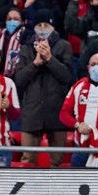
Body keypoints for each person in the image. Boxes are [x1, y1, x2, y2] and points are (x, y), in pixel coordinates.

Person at [14, 9, 74, 167]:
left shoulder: (63, 46)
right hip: (32, 113)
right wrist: (35, 64)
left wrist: (49, 59)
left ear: (52, 26)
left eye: (45, 24)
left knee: (58, 162)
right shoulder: (26, 48)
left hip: (57, 113)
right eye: (39, 25)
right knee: (27, 161)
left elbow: (68, 77)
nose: (42, 28)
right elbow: (19, 80)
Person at [0, 8, 27, 78]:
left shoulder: (25, 35)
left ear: (22, 22)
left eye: (16, 19)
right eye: (9, 19)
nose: (12, 21)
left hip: (16, 76)